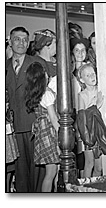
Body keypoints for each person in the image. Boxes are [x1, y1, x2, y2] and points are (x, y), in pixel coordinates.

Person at [6, 26, 48, 192]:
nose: (21, 43)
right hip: (14, 126)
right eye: (17, 39)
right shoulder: (5, 66)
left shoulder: (37, 63)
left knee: (38, 167)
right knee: (20, 168)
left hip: (34, 124)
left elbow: (46, 94)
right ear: (10, 41)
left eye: (24, 39)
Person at [24, 62, 60, 192]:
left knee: (54, 171)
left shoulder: (39, 94)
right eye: (45, 72)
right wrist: (62, 133)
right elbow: (54, 118)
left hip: (43, 132)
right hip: (49, 134)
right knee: (51, 173)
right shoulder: (47, 94)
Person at [77, 63, 106, 177]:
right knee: (89, 163)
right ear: (82, 80)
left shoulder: (101, 90)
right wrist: (94, 106)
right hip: (90, 133)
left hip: (101, 131)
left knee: (99, 167)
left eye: (93, 74)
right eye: (88, 75)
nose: (92, 77)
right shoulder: (81, 95)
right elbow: (82, 119)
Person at [69, 35, 90, 178]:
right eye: (77, 50)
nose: (80, 53)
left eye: (83, 50)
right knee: (76, 145)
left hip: (86, 112)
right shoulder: (69, 72)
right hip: (73, 112)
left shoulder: (90, 69)